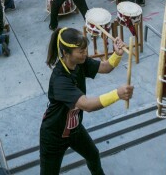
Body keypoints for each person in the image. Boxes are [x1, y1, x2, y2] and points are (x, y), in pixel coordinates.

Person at [39, 27, 133, 175]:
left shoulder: (80, 62)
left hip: (74, 129)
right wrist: (117, 94)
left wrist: (117, 54)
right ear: (65, 53)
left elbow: (105, 67)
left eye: (85, 50)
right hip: (54, 136)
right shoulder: (60, 80)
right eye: (81, 51)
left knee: (93, 155)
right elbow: (87, 105)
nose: (85, 54)